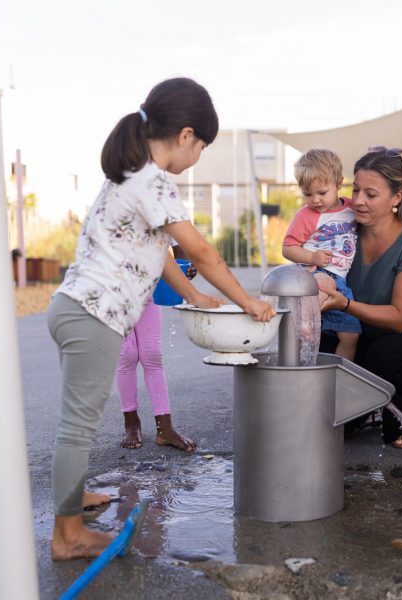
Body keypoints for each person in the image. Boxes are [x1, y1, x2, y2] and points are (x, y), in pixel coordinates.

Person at [47, 77, 275, 560]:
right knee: (77, 425)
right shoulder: (155, 181)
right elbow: (202, 251)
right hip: (94, 317)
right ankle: (67, 535)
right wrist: (249, 301)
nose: (198, 159)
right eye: (202, 148)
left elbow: (163, 251)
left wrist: (193, 293)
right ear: (187, 134)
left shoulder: (128, 175)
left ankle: (73, 500)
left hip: (75, 309)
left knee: (78, 420)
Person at [319, 146, 402, 449]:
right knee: (320, 354)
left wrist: (345, 304)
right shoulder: (344, 233)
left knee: (388, 354)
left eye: (371, 194)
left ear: (397, 197)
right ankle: (364, 409)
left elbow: (400, 318)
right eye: (356, 189)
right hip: (361, 333)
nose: (359, 200)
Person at [117, 243, 205, 451]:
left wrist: (185, 269)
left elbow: (180, 250)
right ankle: (131, 423)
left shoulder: (164, 215)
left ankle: (164, 428)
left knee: (152, 354)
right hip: (116, 293)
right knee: (126, 355)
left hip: (150, 290)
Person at [282, 148, 361, 360]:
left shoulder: (351, 208)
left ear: (338, 183)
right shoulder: (306, 216)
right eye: (308, 194)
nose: (315, 200)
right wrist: (312, 257)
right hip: (317, 271)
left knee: (351, 334)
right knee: (325, 282)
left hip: (342, 280)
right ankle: (305, 322)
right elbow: (288, 248)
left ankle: (341, 372)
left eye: (322, 193)